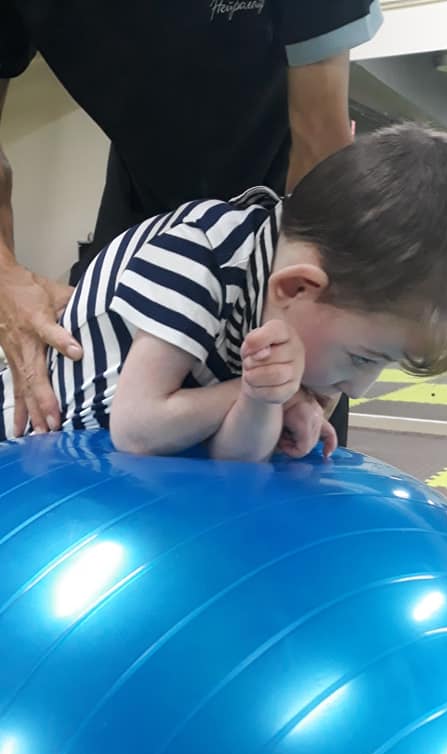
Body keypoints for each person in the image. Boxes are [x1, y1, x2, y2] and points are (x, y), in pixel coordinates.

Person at [0, 0, 383, 442]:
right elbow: (137, 427)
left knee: (294, 430)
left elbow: (319, 138)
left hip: (283, 206)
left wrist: (308, 355)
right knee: (84, 424)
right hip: (143, 202)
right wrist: (6, 279)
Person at [0, 125, 447, 461]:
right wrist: (249, 392)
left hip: (133, 455)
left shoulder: (283, 303)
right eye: (364, 358)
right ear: (298, 286)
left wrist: (265, 403)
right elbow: (136, 427)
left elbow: (235, 459)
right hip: (39, 440)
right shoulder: (202, 254)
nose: (359, 388)